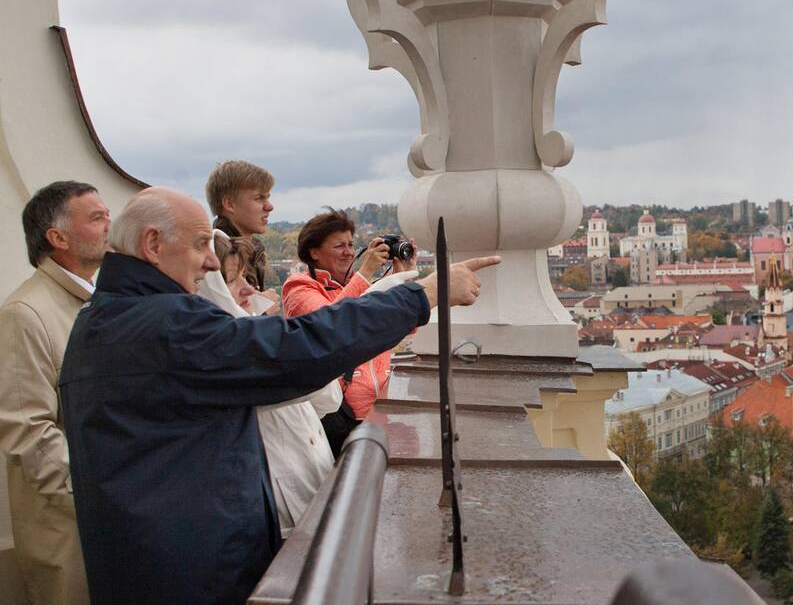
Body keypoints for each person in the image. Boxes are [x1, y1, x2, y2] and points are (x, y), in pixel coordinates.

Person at [60, 187, 496, 605]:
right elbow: (296, 349)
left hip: (153, 562)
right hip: (192, 574)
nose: (212, 261)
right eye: (199, 245)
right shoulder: (165, 327)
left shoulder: (103, 319)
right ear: (152, 244)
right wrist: (421, 295)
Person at [0, 181, 110, 605]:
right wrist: (98, 499)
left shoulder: (93, 303)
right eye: (96, 217)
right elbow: (28, 433)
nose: (109, 225)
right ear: (58, 237)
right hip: (70, 532)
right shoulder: (24, 315)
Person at [199, 232, 342, 538]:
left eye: (246, 276)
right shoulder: (222, 352)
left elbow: (329, 399)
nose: (249, 288)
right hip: (282, 509)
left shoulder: (253, 333)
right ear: (210, 290)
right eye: (233, 281)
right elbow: (316, 384)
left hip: (309, 487)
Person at [282, 210, 417, 453]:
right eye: (339, 246)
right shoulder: (299, 287)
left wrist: (404, 277)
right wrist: (365, 274)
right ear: (314, 252)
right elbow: (328, 325)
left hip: (378, 410)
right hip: (339, 415)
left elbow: (407, 326)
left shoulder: (361, 287)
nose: (348, 252)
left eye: (351, 244)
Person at [204, 159, 276, 303]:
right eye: (259, 198)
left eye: (267, 197)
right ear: (229, 204)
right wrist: (262, 308)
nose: (269, 207)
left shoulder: (252, 247)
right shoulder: (216, 256)